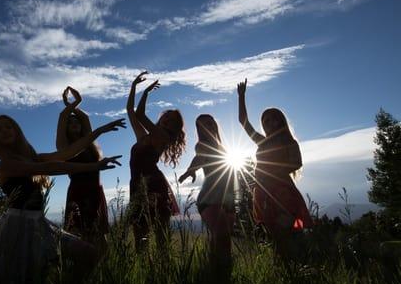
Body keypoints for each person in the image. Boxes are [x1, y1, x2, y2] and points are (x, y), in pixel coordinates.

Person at [0, 114, 124, 284]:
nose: (4, 131)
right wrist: (93, 167)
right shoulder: (5, 165)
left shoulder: (33, 158)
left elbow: (67, 154)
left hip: (39, 223)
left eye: (8, 126)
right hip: (17, 228)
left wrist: (98, 131)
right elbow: (51, 168)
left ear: (16, 131)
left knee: (90, 254)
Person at [237, 78, 313, 257]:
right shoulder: (262, 142)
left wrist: (272, 173)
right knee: (275, 237)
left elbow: (297, 163)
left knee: (290, 232)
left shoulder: (289, 142)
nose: (269, 123)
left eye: (273, 119)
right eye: (266, 120)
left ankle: (298, 267)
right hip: (264, 193)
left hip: (283, 193)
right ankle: (286, 271)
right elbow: (244, 122)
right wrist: (241, 96)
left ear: (281, 122)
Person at [127, 71, 185, 250]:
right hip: (137, 184)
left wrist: (145, 93)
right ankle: (148, 273)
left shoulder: (163, 136)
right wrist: (133, 87)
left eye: (172, 120)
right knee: (140, 235)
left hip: (153, 184)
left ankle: (163, 272)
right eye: (166, 117)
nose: (167, 120)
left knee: (160, 235)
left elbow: (140, 113)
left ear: (175, 127)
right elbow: (131, 111)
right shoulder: (145, 137)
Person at [179, 115, 235, 270]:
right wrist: (189, 171)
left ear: (215, 125)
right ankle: (220, 271)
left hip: (227, 200)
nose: (207, 126)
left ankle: (214, 273)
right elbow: (199, 157)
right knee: (222, 235)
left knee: (221, 238)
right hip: (210, 198)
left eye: (210, 123)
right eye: (202, 125)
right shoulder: (202, 144)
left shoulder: (222, 147)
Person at [56, 87, 109, 248]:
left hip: (96, 192)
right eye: (70, 122)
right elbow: (62, 116)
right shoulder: (64, 145)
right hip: (79, 193)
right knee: (81, 239)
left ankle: (98, 272)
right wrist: (70, 104)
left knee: (101, 241)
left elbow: (85, 118)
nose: (74, 123)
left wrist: (77, 104)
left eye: (76, 122)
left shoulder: (90, 143)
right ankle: (81, 271)